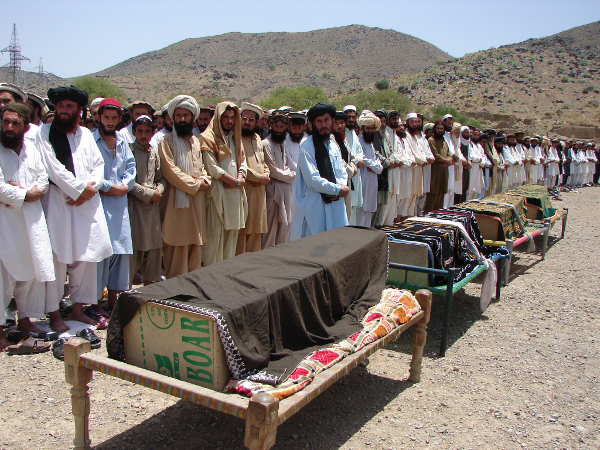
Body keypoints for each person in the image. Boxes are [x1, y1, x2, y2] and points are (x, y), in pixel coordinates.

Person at [37, 86, 113, 331]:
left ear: (79, 111)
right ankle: (54, 314)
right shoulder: (45, 132)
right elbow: (53, 167)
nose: (63, 111)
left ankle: (79, 309)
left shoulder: (86, 134)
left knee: (86, 257)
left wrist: (91, 187)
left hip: (86, 205)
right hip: (59, 203)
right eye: (60, 106)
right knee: (57, 259)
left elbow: (98, 165)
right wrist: (79, 190)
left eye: (69, 107)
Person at [0, 104, 55, 346]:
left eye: (14, 123)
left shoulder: (32, 149)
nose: (8, 127)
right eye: (5, 122)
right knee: (3, 277)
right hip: (5, 223)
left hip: (30, 222)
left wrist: (30, 192)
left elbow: (42, 177)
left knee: (30, 273)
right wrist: (22, 194)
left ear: (25, 125)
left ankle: (24, 319)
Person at [158, 95, 210, 278]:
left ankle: (192, 294)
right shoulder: (166, 142)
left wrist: (205, 179)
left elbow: (202, 166)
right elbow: (171, 171)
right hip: (177, 207)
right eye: (178, 115)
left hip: (196, 204)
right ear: (172, 117)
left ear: (192, 117)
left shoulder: (196, 141)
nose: (182, 119)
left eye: (186, 115)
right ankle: (175, 296)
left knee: (195, 248)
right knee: (177, 250)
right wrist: (196, 184)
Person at [94, 98, 136, 313]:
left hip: (119, 207)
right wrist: (111, 187)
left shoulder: (122, 143)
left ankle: (113, 303)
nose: (109, 122)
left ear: (120, 119)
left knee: (119, 253)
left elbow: (131, 168)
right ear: (98, 117)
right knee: (100, 254)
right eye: (106, 117)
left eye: (113, 118)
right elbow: (90, 173)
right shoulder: (90, 142)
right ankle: (94, 304)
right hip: (98, 205)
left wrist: (123, 186)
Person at [290, 103, 349, 240]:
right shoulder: (307, 147)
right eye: (319, 121)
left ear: (332, 121)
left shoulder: (333, 145)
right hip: (314, 207)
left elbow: (341, 171)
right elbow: (313, 180)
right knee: (314, 246)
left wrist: (340, 186)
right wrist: (336, 189)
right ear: (312, 124)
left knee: (335, 243)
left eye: (327, 120)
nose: (324, 125)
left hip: (335, 204)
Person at [200, 101, 248, 265]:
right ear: (218, 118)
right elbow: (212, 168)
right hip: (218, 193)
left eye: (232, 117)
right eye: (225, 117)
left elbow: (243, 162)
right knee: (215, 238)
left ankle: (226, 274)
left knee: (231, 238)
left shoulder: (236, 139)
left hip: (235, 194)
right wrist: (234, 182)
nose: (229, 121)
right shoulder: (207, 138)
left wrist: (240, 179)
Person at [128, 115, 165, 286]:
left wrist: (158, 191)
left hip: (152, 210)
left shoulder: (154, 153)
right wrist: (148, 194)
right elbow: (127, 181)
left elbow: (161, 179)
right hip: (135, 209)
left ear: (152, 133)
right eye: (140, 131)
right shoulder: (128, 151)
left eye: (147, 131)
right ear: (134, 132)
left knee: (154, 253)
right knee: (134, 252)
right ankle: (125, 293)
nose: (143, 135)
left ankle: (149, 293)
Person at [236, 102, 270, 254]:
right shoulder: (235, 138)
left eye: (251, 120)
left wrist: (266, 175)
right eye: (244, 118)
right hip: (245, 191)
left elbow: (263, 163)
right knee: (242, 233)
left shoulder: (257, 138)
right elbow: (239, 165)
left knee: (256, 231)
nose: (247, 122)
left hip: (259, 193)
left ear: (257, 122)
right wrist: (259, 178)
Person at [262, 112, 295, 248]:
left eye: (282, 126)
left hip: (285, 191)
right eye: (276, 126)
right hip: (273, 192)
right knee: (270, 230)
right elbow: (274, 171)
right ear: (271, 126)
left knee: (284, 228)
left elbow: (286, 167)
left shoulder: (282, 145)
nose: (279, 129)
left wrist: (288, 175)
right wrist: (291, 176)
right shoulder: (266, 144)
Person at [353, 112, 383, 227]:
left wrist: (376, 168)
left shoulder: (370, 143)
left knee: (369, 209)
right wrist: (376, 167)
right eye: (368, 128)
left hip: (372, 179)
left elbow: (376, 160)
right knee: (361, 209)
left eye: (372, 128)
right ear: (362, 128)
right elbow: (363, 159)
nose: (370, 131)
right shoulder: (359, 141)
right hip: (362, 178)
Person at [425, 121, 451, 212]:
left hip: (444, 171)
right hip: (435, 171)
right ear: (434, 129)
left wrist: (447, 162)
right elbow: (435, 155)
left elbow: (449, 154)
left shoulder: (444, 141)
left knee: (441, 193)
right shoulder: (431, 140)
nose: (440, 130)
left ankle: (438, 216)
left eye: (441, 128)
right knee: (433, 194)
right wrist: (447, 161)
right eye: (438, 128)